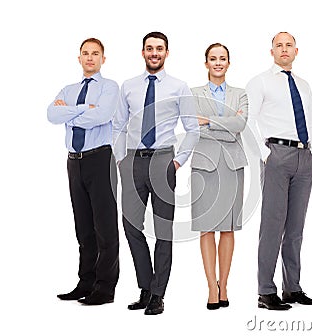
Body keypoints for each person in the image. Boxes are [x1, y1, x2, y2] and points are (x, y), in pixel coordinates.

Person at [113, 31, 199, 315]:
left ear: (166, 53)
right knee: (131, 226)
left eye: (159, 49)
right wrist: (121, 159)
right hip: (134, 161)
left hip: (164, 161)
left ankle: (158, 294)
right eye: (149, 48)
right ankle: (146, 287)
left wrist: (178, 162)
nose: (154, 53)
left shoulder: (179, 86)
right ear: (142, 52)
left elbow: (192, 129)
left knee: (163, 230)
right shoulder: (128, 86)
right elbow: (118, 126)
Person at [246, 32, 312, 310]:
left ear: (296, 51)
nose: (284, 49)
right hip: (277, 155)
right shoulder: (260, 82)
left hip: (304, 157)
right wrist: (266, 155)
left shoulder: (303, 85)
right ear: (272, 51)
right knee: (272, 225)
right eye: (279, 45)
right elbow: (249, 121)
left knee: (296, 227)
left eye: (289, 45)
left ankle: (293, 288)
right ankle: (266, 291)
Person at [47, 38, 119, 306]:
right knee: (84, 227)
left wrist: (69, 113)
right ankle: (85, 282)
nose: (90, 58)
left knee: (104, 226)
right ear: (79, 58)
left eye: (95, 54)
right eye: (85, 53)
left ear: (103, 58)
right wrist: (82, 109)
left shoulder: (110, 88)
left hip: (99, 159)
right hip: (74, 162)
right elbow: (51, 115)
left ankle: (105, 287)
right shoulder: (68, 89)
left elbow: (102, 116)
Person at [190, 43, 248, 310]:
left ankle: (224, 286)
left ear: (228, 63)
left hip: (232, 165)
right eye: (213, 59)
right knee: (206, 227)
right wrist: (226, 123)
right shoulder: (193, 94)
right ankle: (210, 286)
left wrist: (210, 121)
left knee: (228, 227)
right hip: (204, 165)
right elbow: (193, 126)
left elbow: (241, 125)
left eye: (222, 58)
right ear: (206, 64)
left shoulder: (241, 94)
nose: (217, 63)